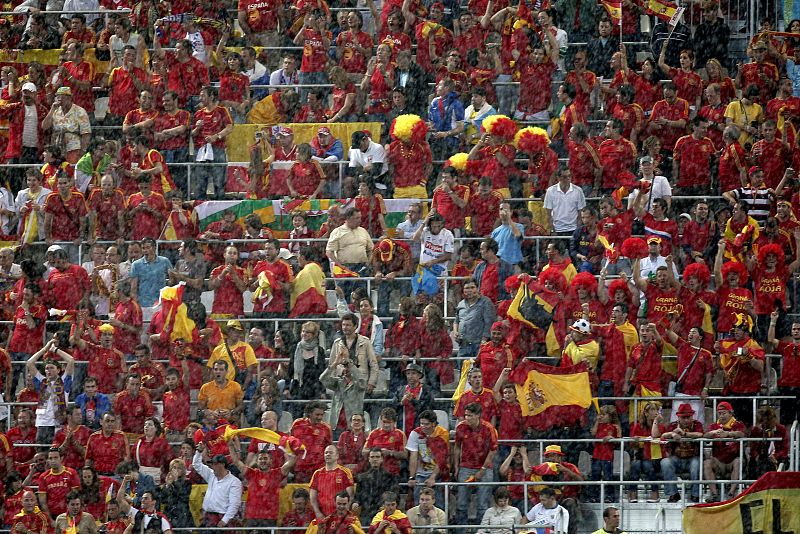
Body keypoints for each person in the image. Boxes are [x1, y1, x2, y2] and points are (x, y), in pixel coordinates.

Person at [454, 402, 498, 526]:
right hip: (465, 467)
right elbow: (457, 447)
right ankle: (460, 531)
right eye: (466, 415)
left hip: (485, 467)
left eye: (470, 415)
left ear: (478, 415)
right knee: (461, 503)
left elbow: (493, 450)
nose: (467, 418)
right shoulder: (460, 427)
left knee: (483, 504)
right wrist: (456, 466)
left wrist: (483, 469)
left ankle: (481, 531)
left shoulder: (489, 428)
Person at [25, 337, 75, 444]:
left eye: (52, 368)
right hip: (42, 424)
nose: (48, 370)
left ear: (58, 370)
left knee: (56, 450)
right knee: (41, 451)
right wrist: (45, 349)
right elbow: (29, 363)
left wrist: (55, 350)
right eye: (47, 368)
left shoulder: (64, 381)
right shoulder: (41, 381)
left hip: (58, 424)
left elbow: (71, 360)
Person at [653, 403, 704, 503]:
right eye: (683, 417)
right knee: (665, 462)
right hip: (676, 458)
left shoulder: (697, 424)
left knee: (696, 464)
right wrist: (672, 434)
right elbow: (663, 436)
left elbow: (700, 434)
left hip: (692, 458)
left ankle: (695, 495)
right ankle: (673, 494)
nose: (686, 420)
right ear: (678, 417)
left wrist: (685, 434)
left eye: (688, 417)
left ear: (692, 416)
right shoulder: (673, 425)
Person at [703, 401, 747, 502]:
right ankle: (714, 494)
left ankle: (731, 493)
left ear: (731, 413)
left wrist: (729, 434)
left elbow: (742, 434)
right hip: (718, 461)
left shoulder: (738, 424)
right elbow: (705, 436)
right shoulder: (714, 426)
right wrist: (712, 432)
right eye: (719, 413)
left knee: (738, 462)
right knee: (707, 463)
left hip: (733, 460)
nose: (721, 416)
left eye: (724, 413)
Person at [320, 345, 367, 436]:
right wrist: (335, 363)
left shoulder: (358, 384)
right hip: (336, 426)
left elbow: (362, 382)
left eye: (348, 366)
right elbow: (323, 379)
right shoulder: (338, 383)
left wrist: (349, 362)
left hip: (353, 426)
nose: (346, 369)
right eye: (343, 366)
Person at [192, 443, 243, 527]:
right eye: (212, 464)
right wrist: (199, 452)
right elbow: (196, 465)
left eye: (215, 464)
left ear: (222, 464)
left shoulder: (234, 482)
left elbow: (234, 504)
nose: (212, 466)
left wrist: (224, 520)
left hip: (223, 517)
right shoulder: (211, 475)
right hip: (208, 517)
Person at [353, 448, 399, 525]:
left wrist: (385, 506)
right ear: (369, 459)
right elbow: (357, 496)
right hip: (366, 515)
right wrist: (356, 503)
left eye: (377, 457)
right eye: (372, 457)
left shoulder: (390, 477)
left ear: (382, 459)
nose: (375, 459)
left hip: (385, 514)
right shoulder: (362, 478)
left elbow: (395, 496)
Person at [35, 447, 80, 523]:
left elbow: (76, 497)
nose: (53, 461)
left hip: (69, 516)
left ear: (61, 458)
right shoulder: (43, 477)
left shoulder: (71, 473)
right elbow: (43, 503)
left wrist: (73, 518)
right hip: (52, 516)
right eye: (50, 458)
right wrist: (50, 520)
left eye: (55, 458)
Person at [310, 445, 354, 520]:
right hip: (322, 516)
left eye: (331, 452)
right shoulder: (317, 473)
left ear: (337, 456)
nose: (328, 454)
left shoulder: (345, 472)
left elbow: (351, 496)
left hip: (340, 516)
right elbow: (313, 498)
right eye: (326, 453)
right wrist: (317, 513)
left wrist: (344, 513)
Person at [544, 167, 586, 235]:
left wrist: (578, 230)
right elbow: (548, 214)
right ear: (558, 178)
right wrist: (552, 230)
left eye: (569, 176)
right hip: (557, 229)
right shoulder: (550, 191)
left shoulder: (578, 191)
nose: (568, 178)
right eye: (564, 177)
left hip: (574, 229)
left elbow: (580, 212)